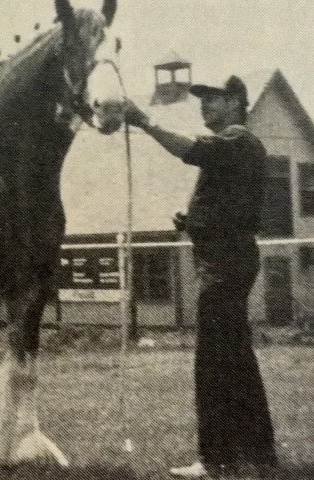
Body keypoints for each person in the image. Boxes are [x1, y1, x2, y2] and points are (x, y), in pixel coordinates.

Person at [125, 76, 277, 478]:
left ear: (236, 103)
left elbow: (189, 150)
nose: (204, 105)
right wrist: (194, 221)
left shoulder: (237, 139)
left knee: (213, 362)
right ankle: (258, 453)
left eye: (213, 99)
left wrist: (144, 122)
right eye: (202, 100)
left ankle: (216, 459)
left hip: (224, 264)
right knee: (237, 359)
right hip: (229, 257)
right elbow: (229, 203)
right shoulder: (237, 146)